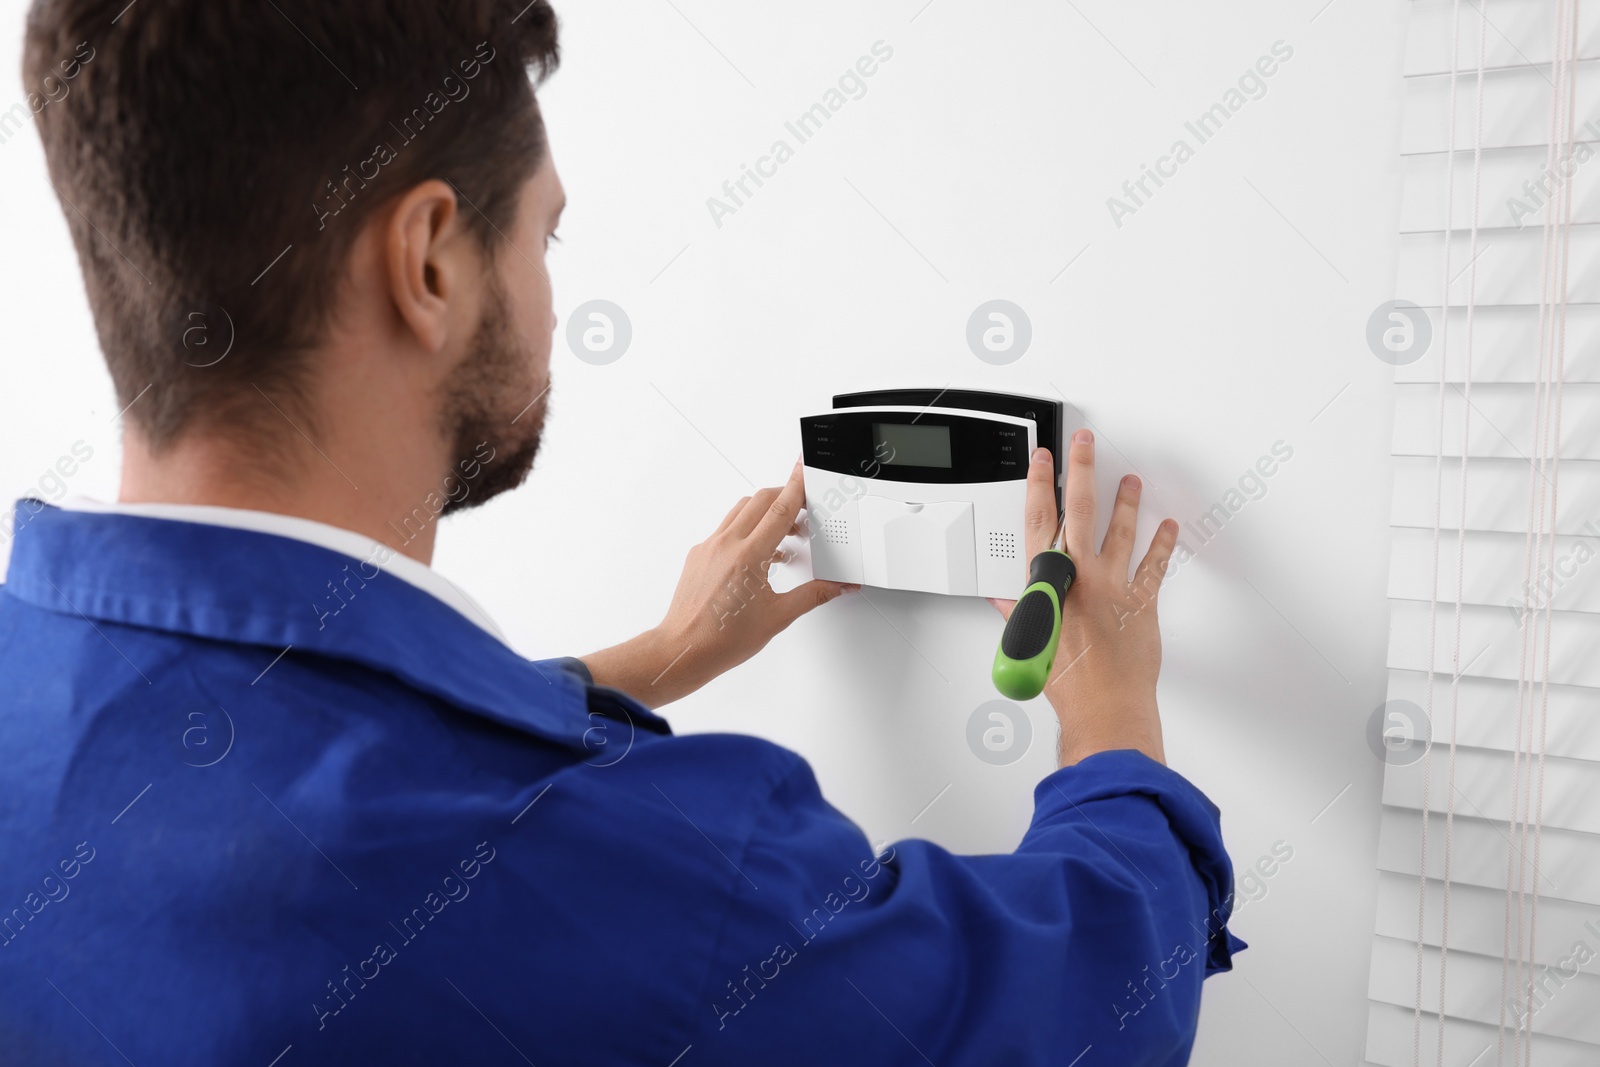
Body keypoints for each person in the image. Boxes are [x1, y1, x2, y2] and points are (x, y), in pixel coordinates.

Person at [0, 1, 1244, 1063]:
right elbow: (1074, 1008)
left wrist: (649, 660)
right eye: (545, 235)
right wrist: (1110, 723)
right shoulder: (626, 867)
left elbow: (283, 749)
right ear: (430, 260)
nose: (551, 291)